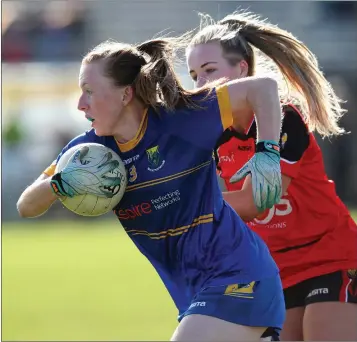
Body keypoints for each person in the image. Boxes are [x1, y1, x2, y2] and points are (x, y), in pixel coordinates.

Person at [17, 37, 286, 341]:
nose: (81, 104)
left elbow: (263, 87)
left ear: (125, 94)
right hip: (196, 295)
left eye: (90, 92)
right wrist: (60, 182)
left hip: (239, 276)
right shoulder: (87, 153)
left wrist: (267, 152)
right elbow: (26, 206)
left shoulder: (185, 119)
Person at [186, 11, 357, 341]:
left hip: (332, 256)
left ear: (241, 70)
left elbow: (254, 202)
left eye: (210, 71)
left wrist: (184, 205)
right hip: (275, 270)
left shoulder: (283, 117)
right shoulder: (214, 135)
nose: (201, 84)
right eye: (194, 75)